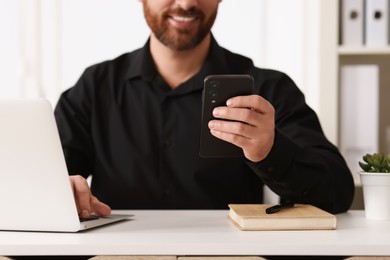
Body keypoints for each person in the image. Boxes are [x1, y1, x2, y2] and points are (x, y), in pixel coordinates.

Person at [54, 0, 355, 219]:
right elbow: (38, 183)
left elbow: (338, 193)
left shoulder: (267, 89)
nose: (186, 3)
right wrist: (59, 188)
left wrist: (270, 150)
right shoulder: (95, 87)